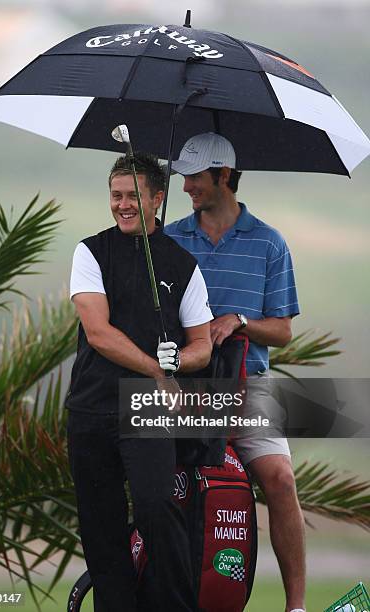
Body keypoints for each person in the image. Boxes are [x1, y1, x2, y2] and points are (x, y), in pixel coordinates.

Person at [65, 152, 213, 612]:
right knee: (101, 526)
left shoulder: (181, 265)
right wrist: (155, 366)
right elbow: (99, 332)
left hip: (147, 407)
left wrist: (179, 361)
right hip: (91, 406)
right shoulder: (90, 251)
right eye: (116, 195)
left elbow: (203, 344)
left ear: (156, 200)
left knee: (156, 508)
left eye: (132, 196)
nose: (122, 205)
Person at [165, 132, 306, 612]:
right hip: (184, 387)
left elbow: (283, 331)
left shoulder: (269, 243)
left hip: (250, 386)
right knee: (161, 485)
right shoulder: (169, 238)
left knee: (281, 480)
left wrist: (240, 321)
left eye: (195, 177)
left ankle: (296, 607)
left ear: (224, 177)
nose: (185, 187)